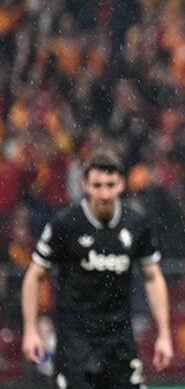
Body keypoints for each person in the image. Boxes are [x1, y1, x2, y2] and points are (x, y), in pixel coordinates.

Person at [21, 149, 173, 388]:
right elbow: (34, 275)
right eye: (97, 185)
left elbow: (153, 277)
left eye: (110, 185)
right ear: (85, 185)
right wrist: (30, 330)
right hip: (75, 342)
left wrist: (164, 334)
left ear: (121, 184)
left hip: (119, 340)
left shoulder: (136, 222)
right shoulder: (65, 224)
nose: (104, 193)